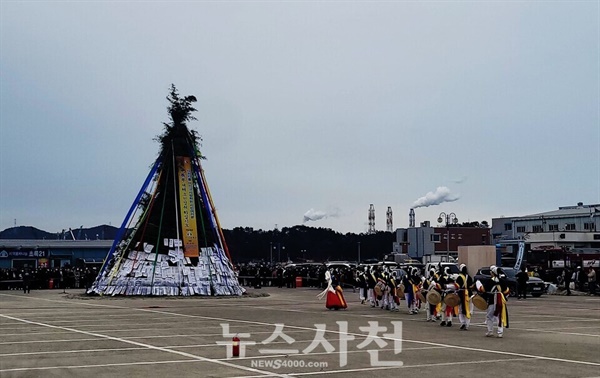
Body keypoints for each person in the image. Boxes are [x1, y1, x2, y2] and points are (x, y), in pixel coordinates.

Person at [476, 265, 510, 338]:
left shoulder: (490, 281)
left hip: (492, 300)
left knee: (489, 316)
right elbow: (507, 291)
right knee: (499, 316)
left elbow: (482, 289)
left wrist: (478, 284)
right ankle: (500, 332)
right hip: (500, 300)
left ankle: (490, 331)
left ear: (493, 273)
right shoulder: (502, 281)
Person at [455, 264, 473, 330]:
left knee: (461, 310)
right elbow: (471, 286)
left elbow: (457, 286)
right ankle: (467, 325)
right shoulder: (469, 277)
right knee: (468, 310)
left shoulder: (459, 277)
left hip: (461, 294)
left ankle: (462, 323)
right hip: (469, 295)